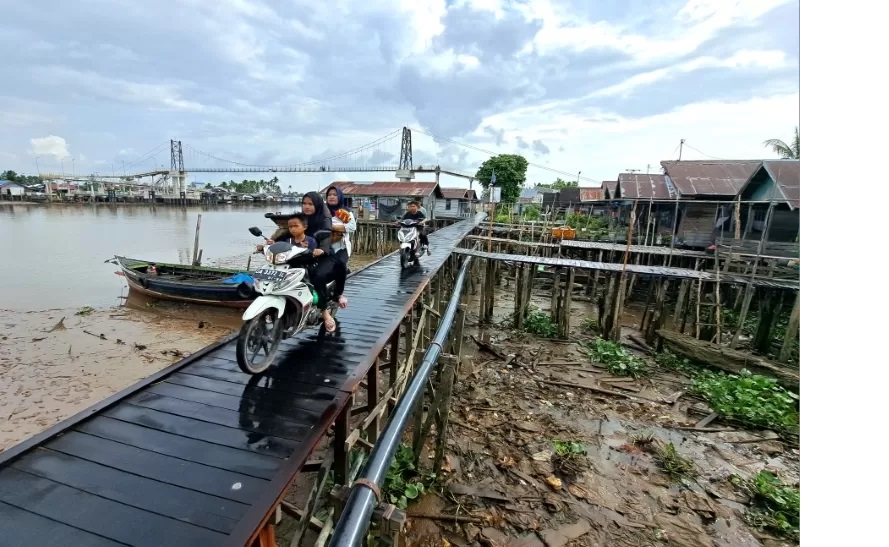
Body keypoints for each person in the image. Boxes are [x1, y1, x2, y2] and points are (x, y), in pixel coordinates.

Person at [301, 191, 348, 332]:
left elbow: (327, 235)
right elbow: (287, 230)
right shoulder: (300, 218)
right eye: (304, 203)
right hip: (303, 255)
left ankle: (325, 313)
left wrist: (321, 248)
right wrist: (272, 242)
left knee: (317, 276)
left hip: (323, 255)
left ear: (317, 205)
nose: (306, 207)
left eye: (310, 204)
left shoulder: (325, 218)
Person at [325, 186, 357, 270]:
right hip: (325, 247)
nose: (331, 197)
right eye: (329, 195)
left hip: (341, 247)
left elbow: (352, 226)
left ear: (339, 196)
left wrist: (332, 227)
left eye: (335, 195)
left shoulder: (345, 211)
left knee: (339, 267)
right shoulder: (322, 211)